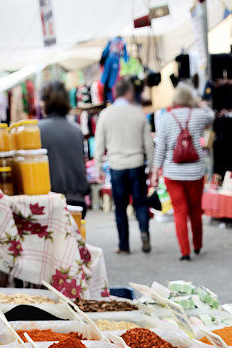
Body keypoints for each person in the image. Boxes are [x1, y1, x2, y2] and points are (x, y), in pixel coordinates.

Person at [152, 84, 214, 260]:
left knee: (180, 211)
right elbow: (212, 116)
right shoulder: (199, 114)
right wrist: (201, 104)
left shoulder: (166, 118)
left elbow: (160, 148)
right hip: (195, 172)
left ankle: (184, 252)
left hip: (173, 173)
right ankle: (198, 246)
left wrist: (156, 171)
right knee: (195, 210)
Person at [95, 78, 153, 254]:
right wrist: (151, 166)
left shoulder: (105, 114)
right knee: (140, 203)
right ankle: (144, 231)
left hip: (117, 166)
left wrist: (98, 168)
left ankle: (124, 245)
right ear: (128, 93)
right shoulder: (138, 114)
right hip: (136, 164)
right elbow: (148, 144)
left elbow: (99, 144)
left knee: (120, 206)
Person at [39, 81, 88, 213]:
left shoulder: (37, 130)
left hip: (52, 202)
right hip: (77, 200)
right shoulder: (77, 130)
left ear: (45, 102)